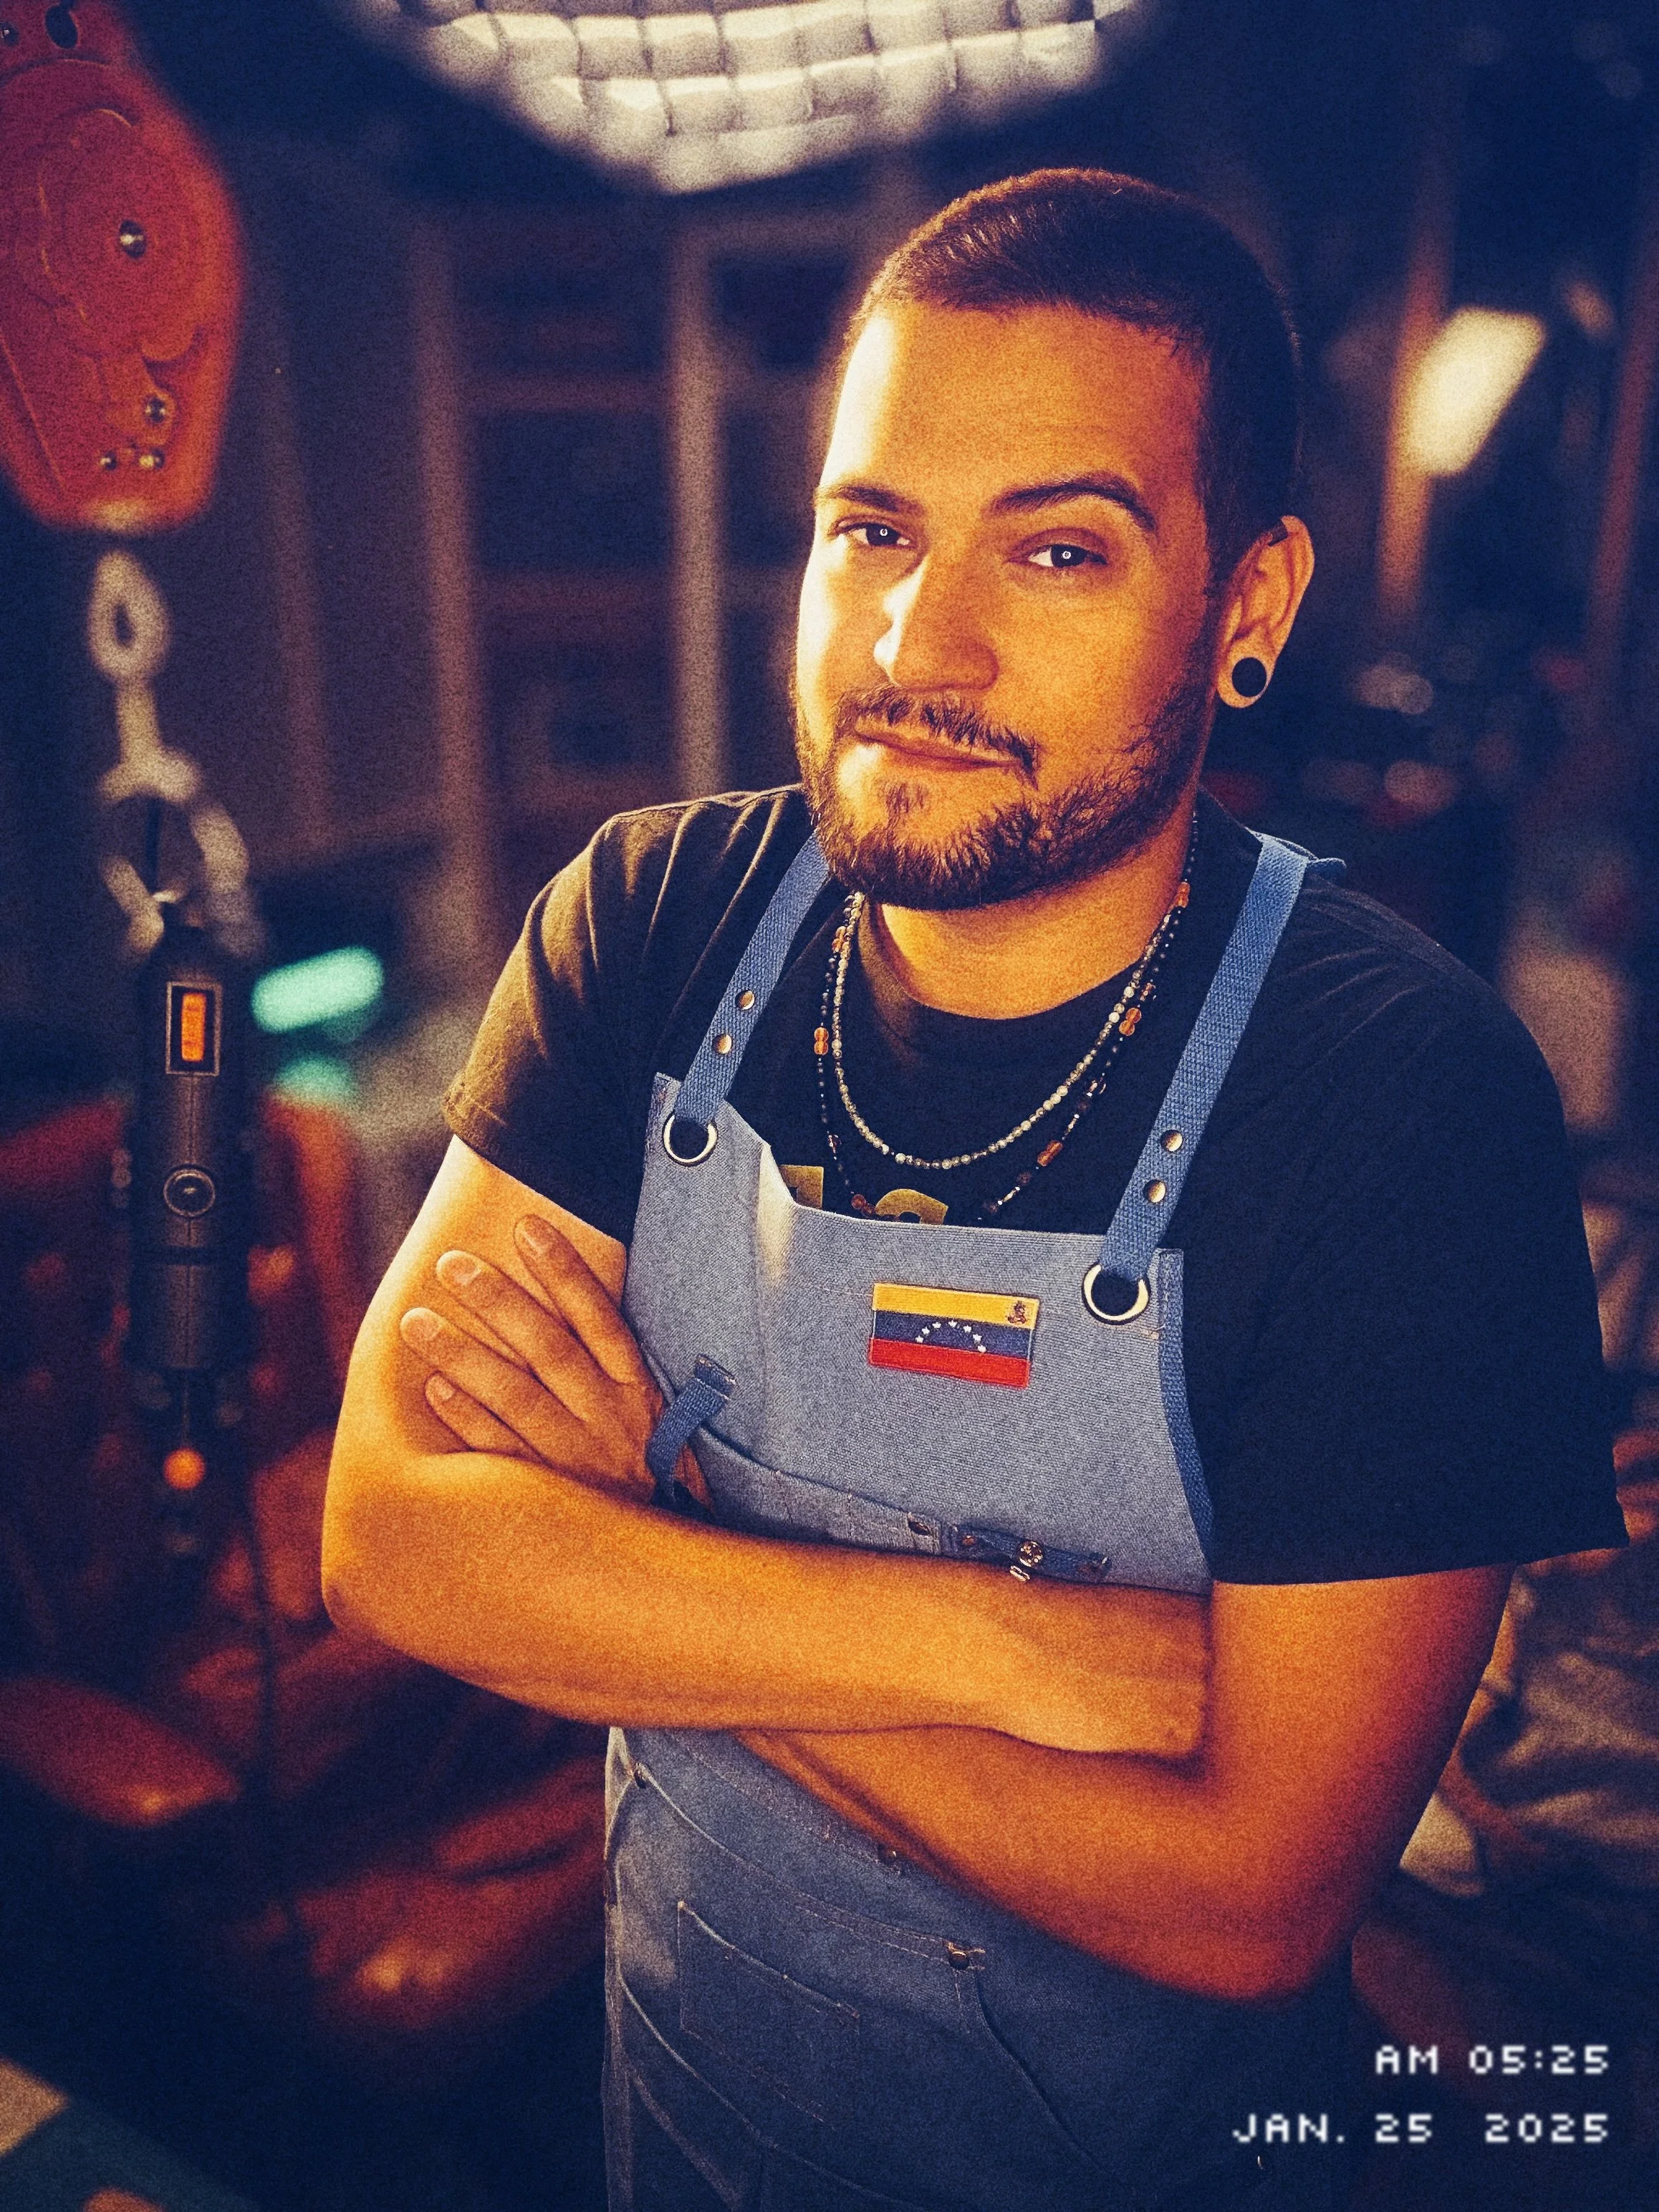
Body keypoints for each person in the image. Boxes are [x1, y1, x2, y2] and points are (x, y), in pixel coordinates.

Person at [322, 170, 1626, 2210]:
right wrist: (1021, 1651)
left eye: (1060, 548)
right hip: (676, 2117)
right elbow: (398, 1543)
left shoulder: (1400, 1104)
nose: (921, 644)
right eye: (872, 531)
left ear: (1248, 608)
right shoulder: (651, 919)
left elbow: (1249, 1904)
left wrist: (650, 1540)